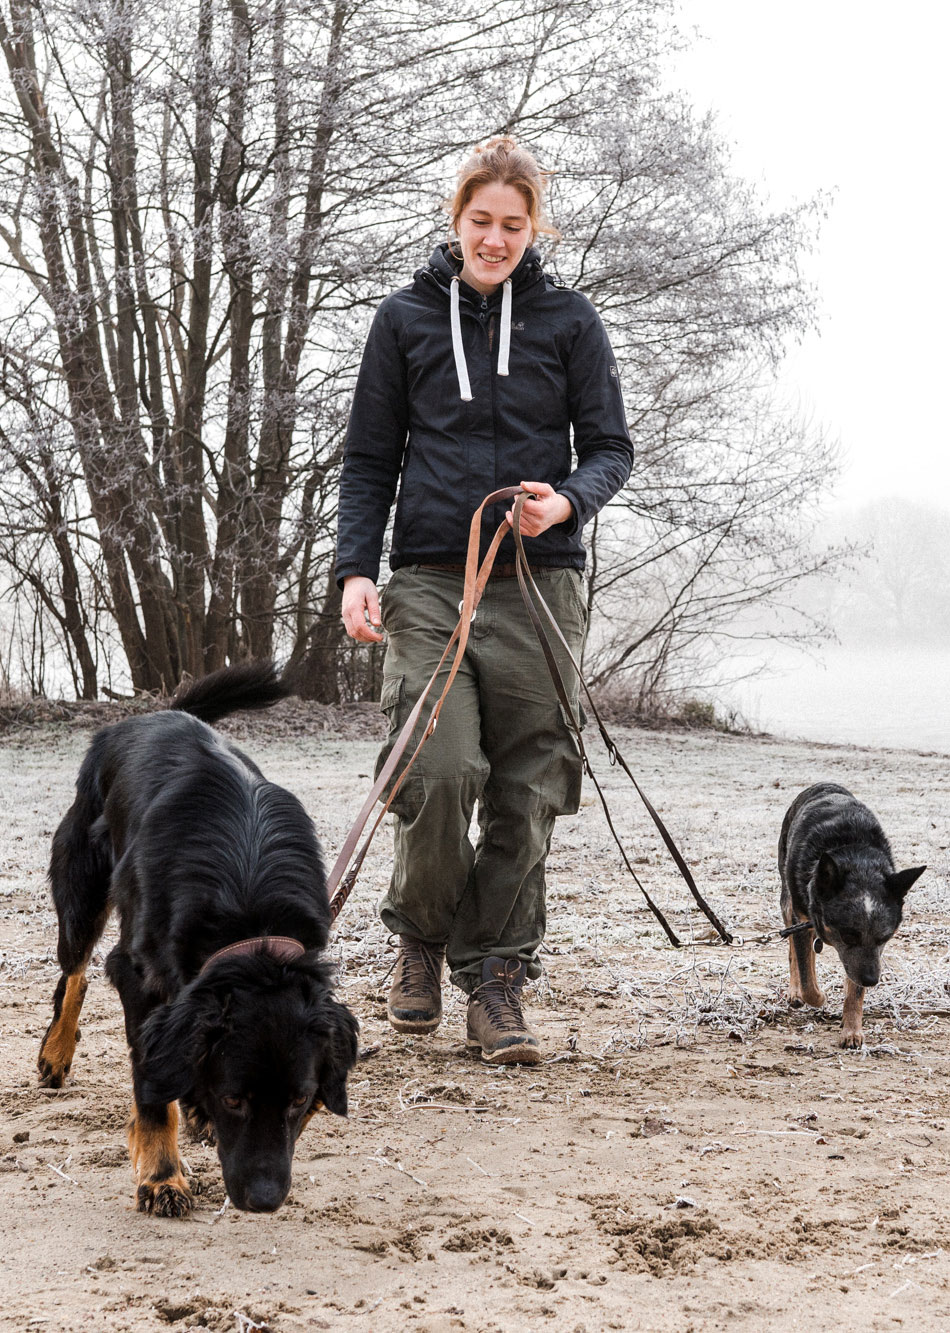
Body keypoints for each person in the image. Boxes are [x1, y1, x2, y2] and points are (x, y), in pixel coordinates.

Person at [335, 138, 633, 1064]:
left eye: (513, 225)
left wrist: (567, 500)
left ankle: (496, 974)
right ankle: (420, 939)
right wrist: (354, 571)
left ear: (533, 228)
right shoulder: (403, 322)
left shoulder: (571, 323)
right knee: (439, 764)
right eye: (480, 222)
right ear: (455, 219)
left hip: (542, 584)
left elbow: (610, 449)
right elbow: (368, 461)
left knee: (530, 783)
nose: (495, 240)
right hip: (431, 579)